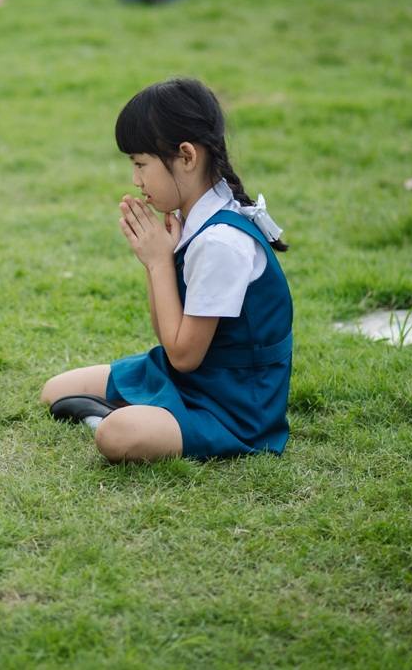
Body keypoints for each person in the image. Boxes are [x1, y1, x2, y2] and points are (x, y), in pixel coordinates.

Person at [40, 78, 293, 463]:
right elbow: (167, 337)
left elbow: (184, 356)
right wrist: (154, 260)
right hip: (190, 379)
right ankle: (137, 413)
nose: (135, 179)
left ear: (187, 156)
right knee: (54, 390)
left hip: (233, 407)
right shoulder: (193, 219)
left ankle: (122, 418)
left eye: (140, 163)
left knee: (117, 435)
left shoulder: (220, 243)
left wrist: (159, 262)